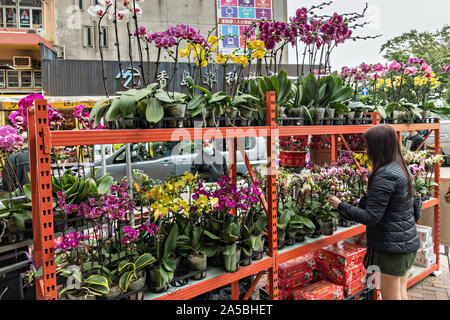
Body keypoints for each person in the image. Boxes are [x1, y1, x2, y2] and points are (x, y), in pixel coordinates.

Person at [328, 124, 420, 300]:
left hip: (391, 249)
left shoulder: (384, 174)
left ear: (377, 146)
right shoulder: (401, 167)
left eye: (368, 145)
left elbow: (371, 217)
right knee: (401, 293)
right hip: (405, 243)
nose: (366, 150)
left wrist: (340, 205)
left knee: (391, 296)